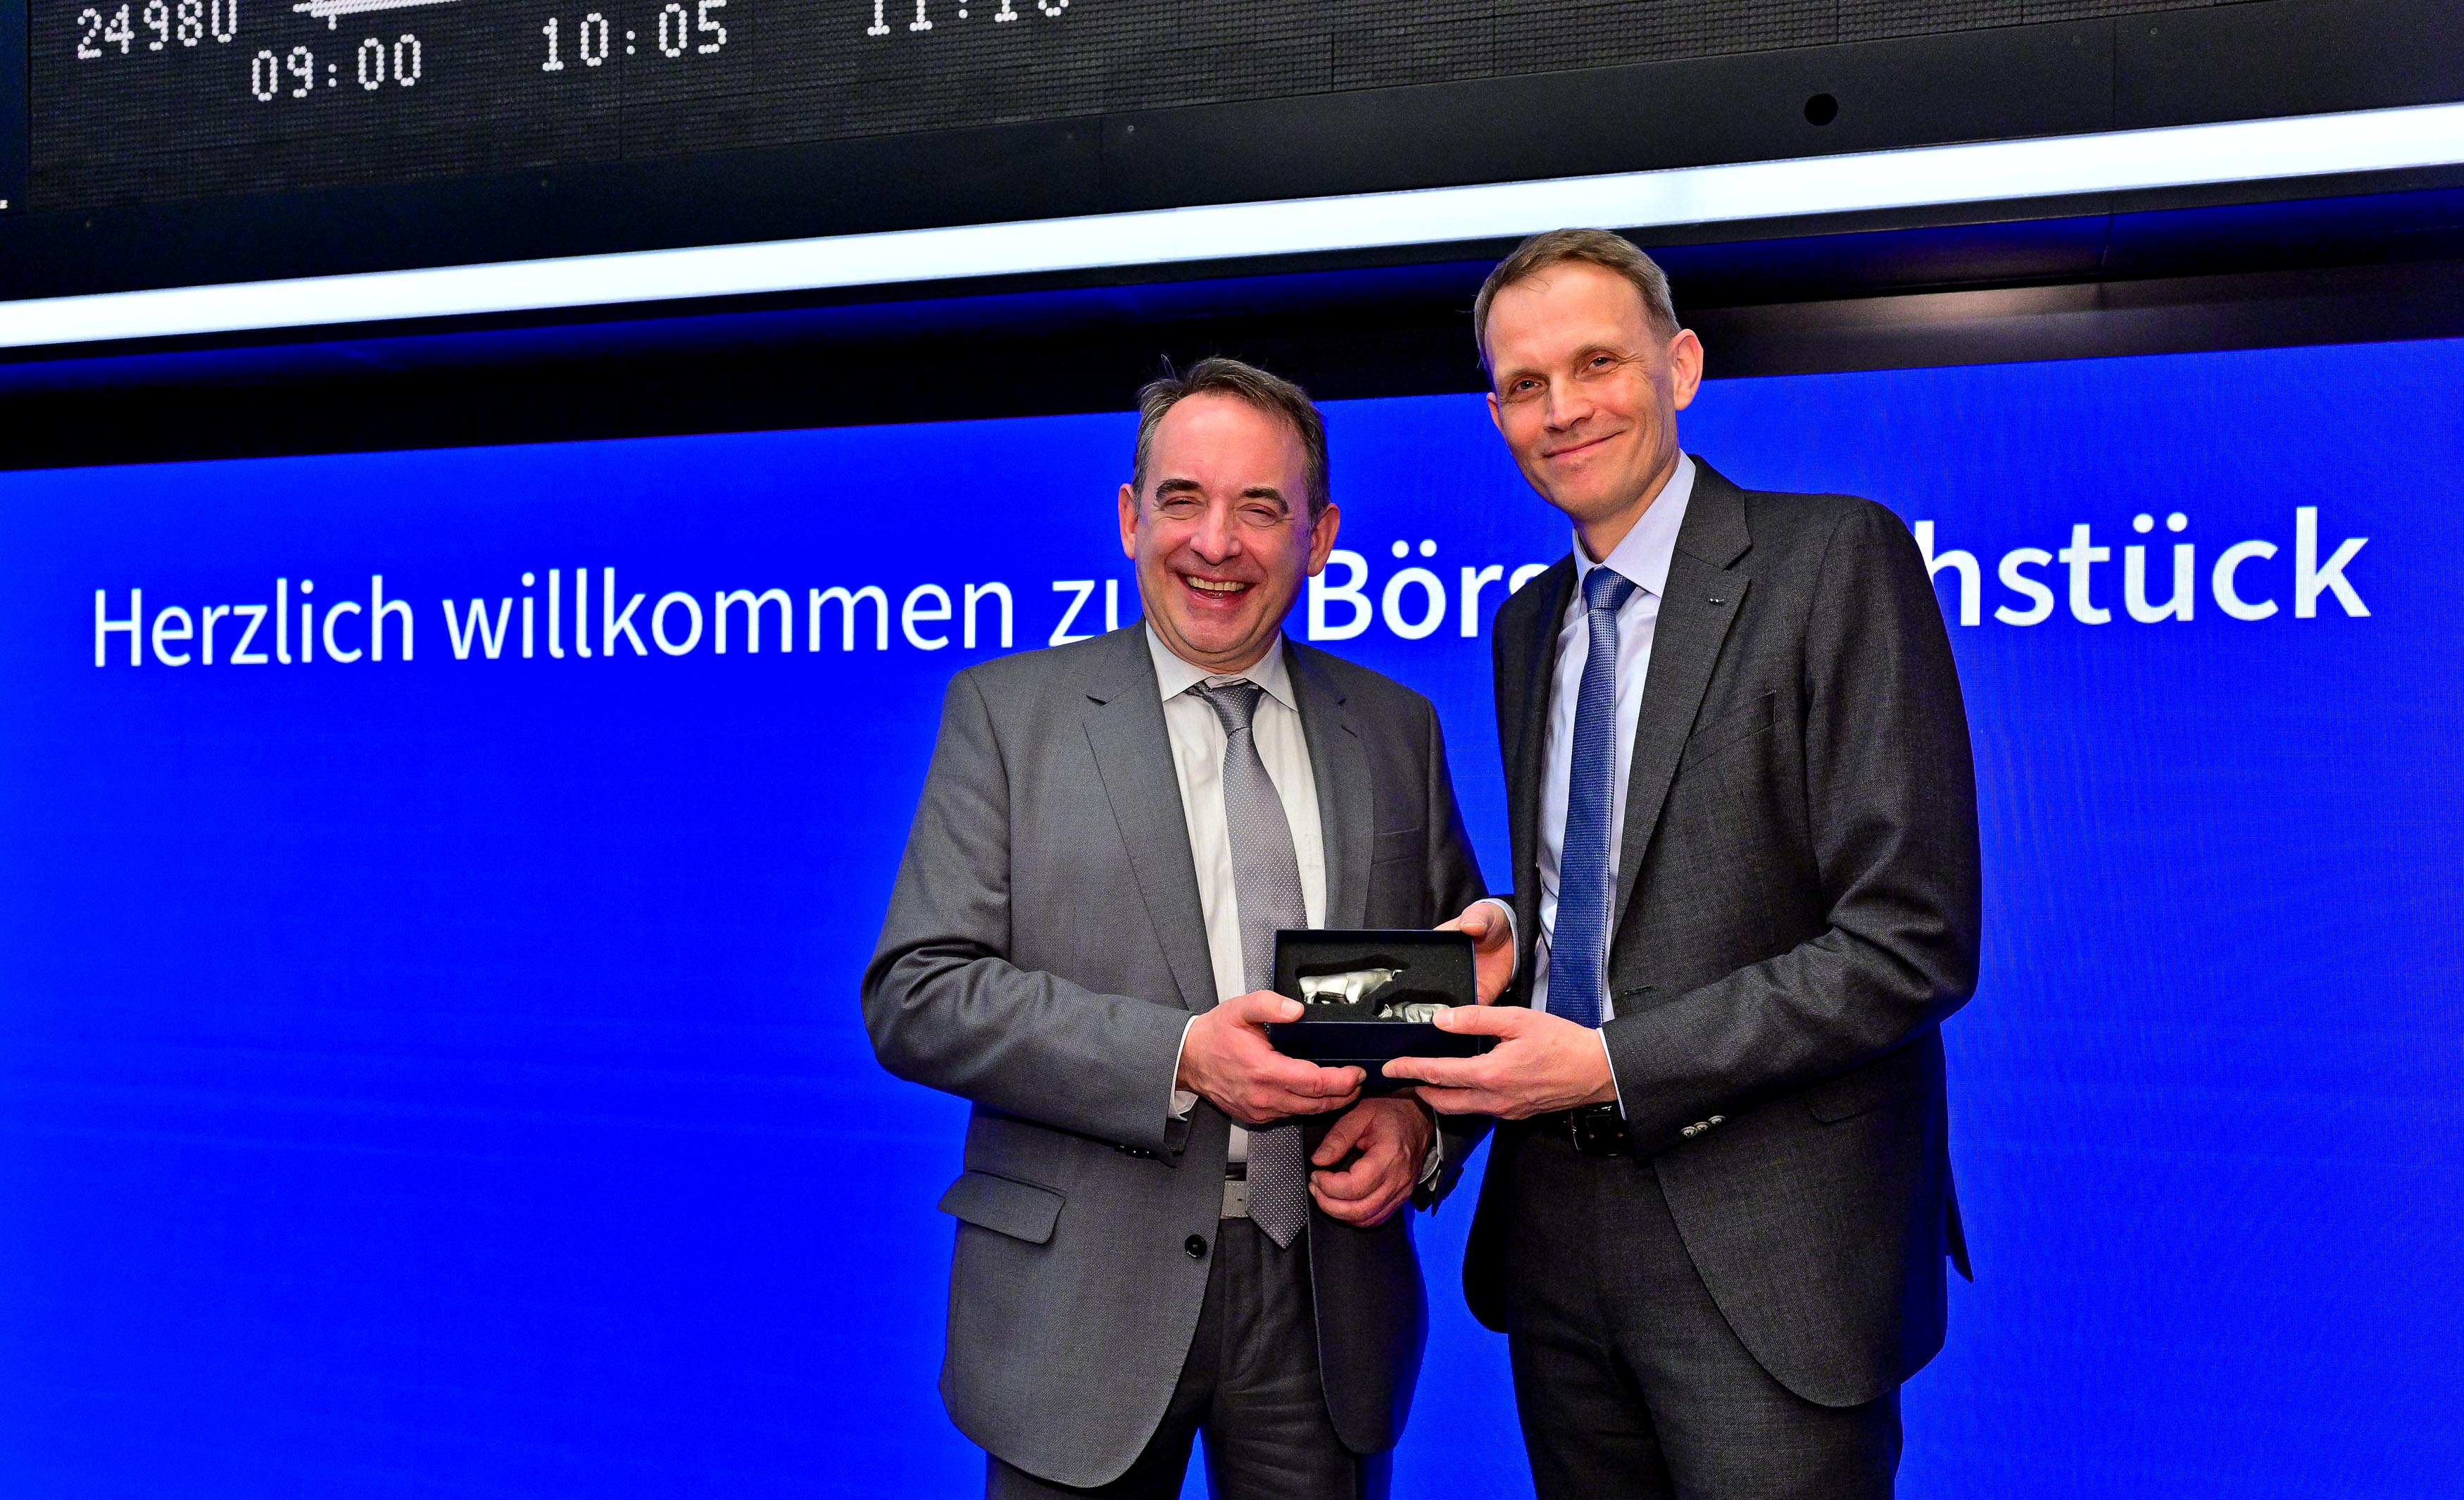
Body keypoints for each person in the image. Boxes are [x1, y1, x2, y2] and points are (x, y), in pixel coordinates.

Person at [1385, 229, 1981, 1499]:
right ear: (1496, 416)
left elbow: (1911, 940)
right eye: (1525, 384)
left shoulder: (1834, 560)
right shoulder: (1527, 623)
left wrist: (1612, 1061)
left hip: (1773, 1244)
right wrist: (1521, 930)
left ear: (1682, 365)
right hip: (1555, 1235)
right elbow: (1625, 878)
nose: (1563, 408)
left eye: (1597, 362)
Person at [864, 357, 1499, 1499]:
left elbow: (1460, 995)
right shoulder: (1008, 714)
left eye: (1260, 507)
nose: (1216, 542)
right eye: (1183, 499)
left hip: (1326, 1305)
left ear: (1319, 536)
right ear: (1129, 517)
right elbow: (919, 992)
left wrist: (1418, 1124)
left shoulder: (1396, 728)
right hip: (1077, 1308)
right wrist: (1180, 1056)